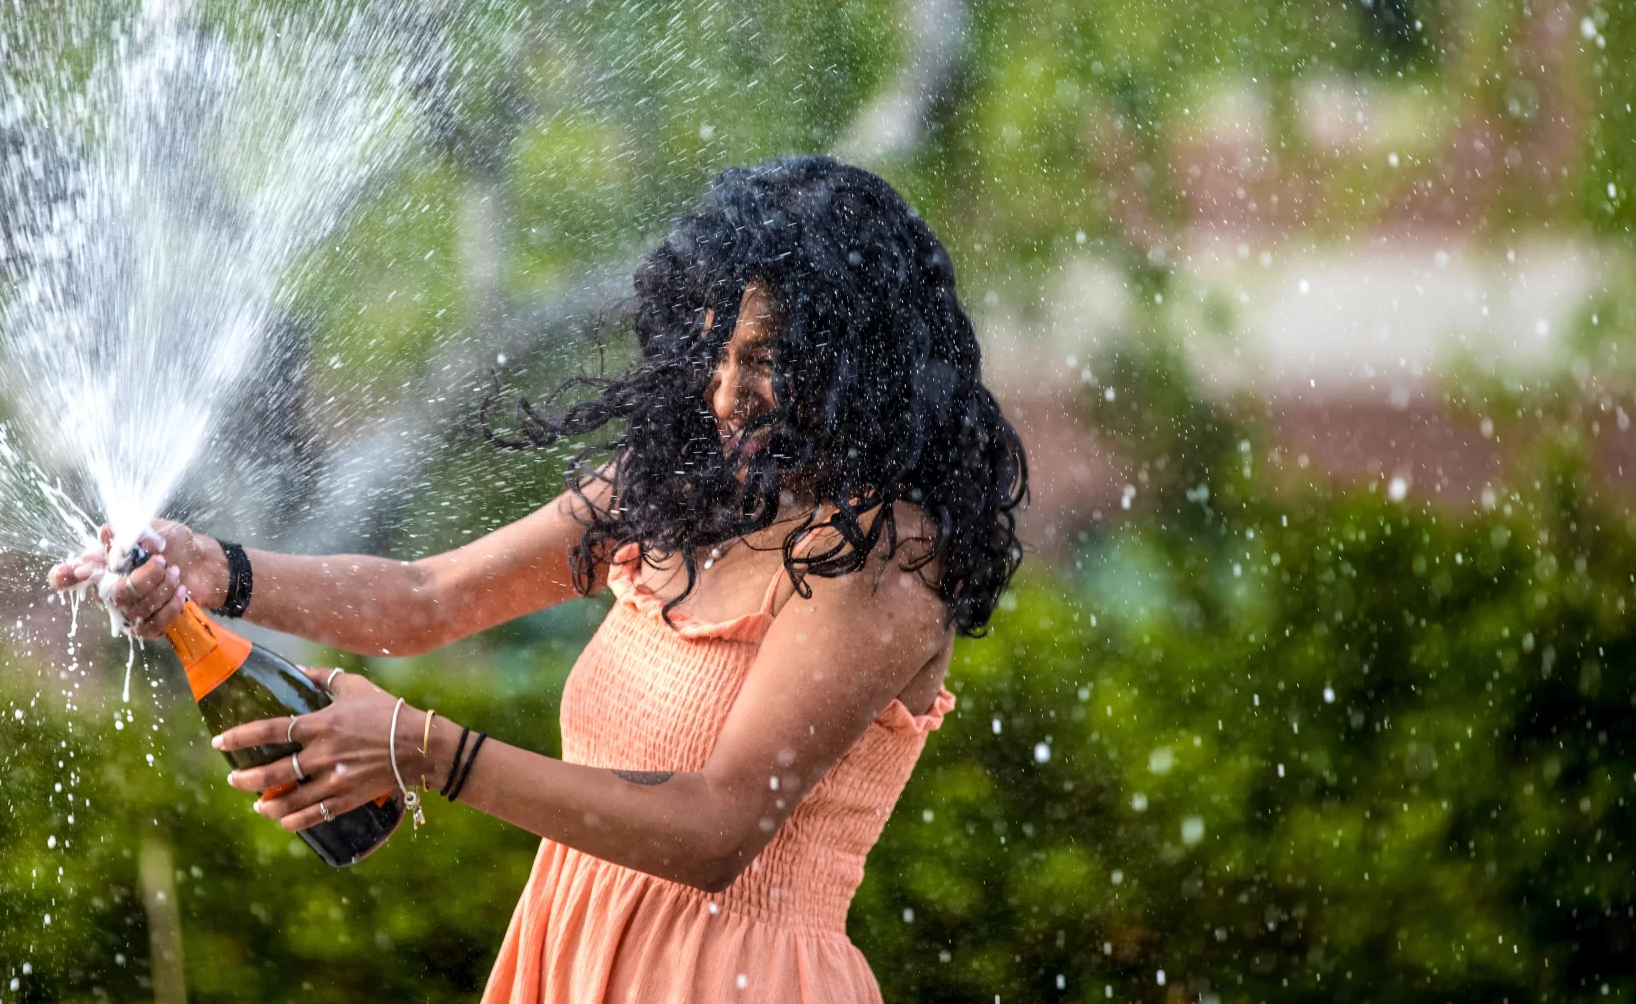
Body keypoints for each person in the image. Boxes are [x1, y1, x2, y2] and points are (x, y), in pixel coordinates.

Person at [50, 155, 1028, 1004]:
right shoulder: (683, 491)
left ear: (856, 362)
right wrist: (214, 568)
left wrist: (423, 748)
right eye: (714, 353)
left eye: (765, 361)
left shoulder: (885, 561)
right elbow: (425, 600)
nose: (726, 394)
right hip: (570, 956)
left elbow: (716, 826)